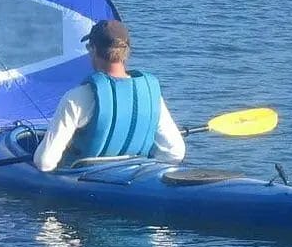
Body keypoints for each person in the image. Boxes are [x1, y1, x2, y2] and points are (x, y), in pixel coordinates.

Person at [33, 20, 185, 172]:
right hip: (136, 175)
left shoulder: (78, 97)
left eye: (88, 47)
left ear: (93, 49)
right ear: (126, 51)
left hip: (84, 181)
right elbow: (175, 152)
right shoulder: (151, 95)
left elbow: (45, 162)